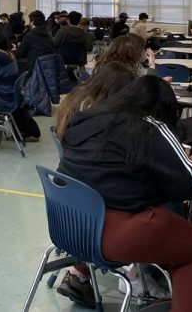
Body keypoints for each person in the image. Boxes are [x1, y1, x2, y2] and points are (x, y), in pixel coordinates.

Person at [58, 75, 192, 312]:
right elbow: (191, 185)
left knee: (177, 233)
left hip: (68, 225)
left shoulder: (85, 119)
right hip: (115, 233)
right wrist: (185, 164)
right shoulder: (150, 126)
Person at [52, 62, 138, 305]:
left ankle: (78, 272)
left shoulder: (76, 96)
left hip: (70, 197)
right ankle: (137, 274)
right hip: (95, 196)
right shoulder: (102, 114)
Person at [15, 10, 56, 75]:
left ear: (32, 22)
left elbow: (20, 53)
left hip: (34, 68)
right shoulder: (48, 35)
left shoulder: (30, 34)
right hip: (48, 68)